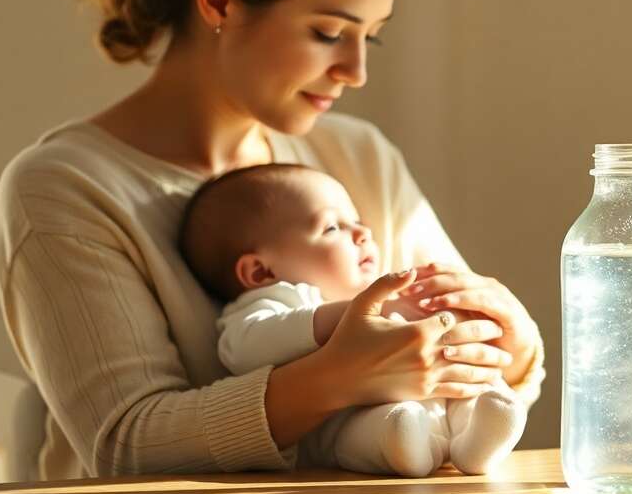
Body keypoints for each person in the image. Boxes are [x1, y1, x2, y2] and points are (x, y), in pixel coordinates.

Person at [0, 0, 544, 480]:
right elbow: (126, 442)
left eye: (370, 37)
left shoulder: (357, 157)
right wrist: (334, 379)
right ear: (220, 2)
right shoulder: (67, 189)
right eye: (327, 33)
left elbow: (455, 361)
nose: (356, 71)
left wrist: (513, 346)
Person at [181, 163, 526, 476]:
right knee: (369, 433)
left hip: (439, 394)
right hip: (352, 422)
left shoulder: (386, 291)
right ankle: (408, 444)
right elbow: (244, 349)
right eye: (332, 227)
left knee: (479, 388)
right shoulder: (273, 301)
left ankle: (479, 435)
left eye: (358, 223)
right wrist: (343, 316)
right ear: (260, 271)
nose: (363, 234)